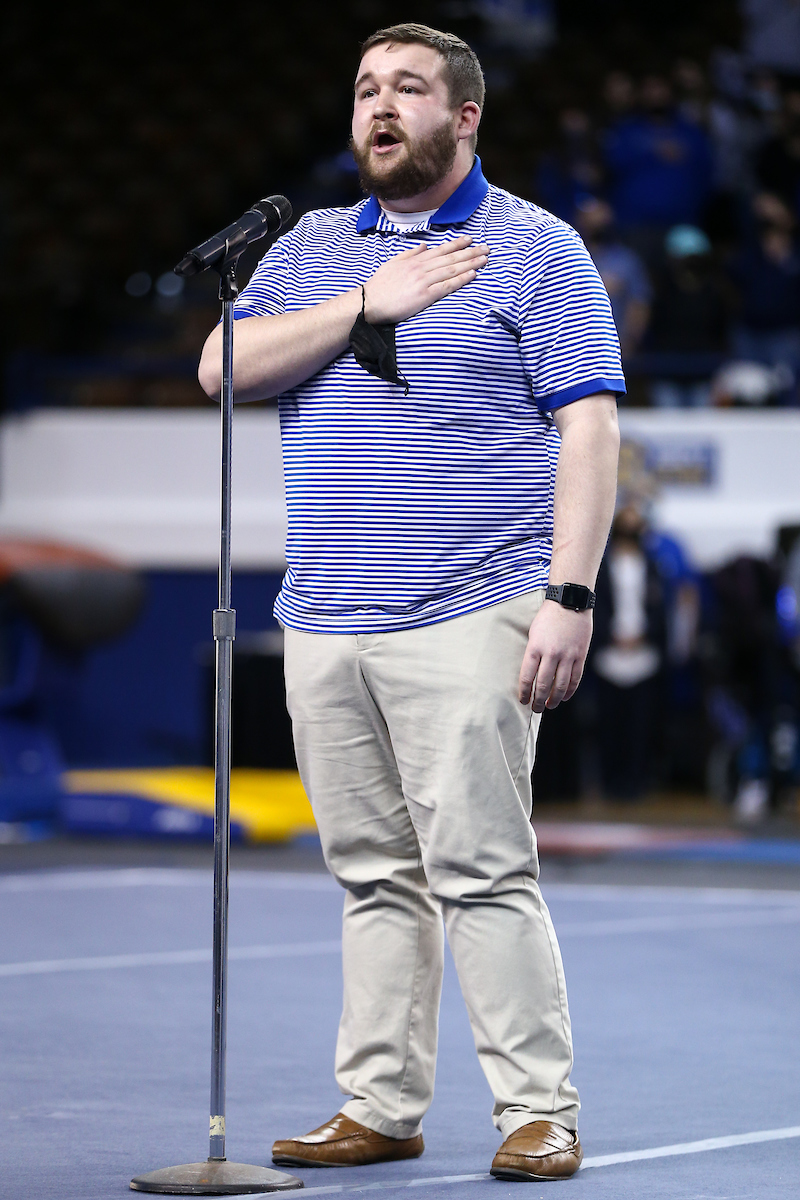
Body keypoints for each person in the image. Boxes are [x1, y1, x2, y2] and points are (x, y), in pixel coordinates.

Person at [199, 21, 622, 1184]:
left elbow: (586, 430)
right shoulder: (309, 249)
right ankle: (379, 1103)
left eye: (408, 89)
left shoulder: (534, 249)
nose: (380, 106)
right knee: (371, 873)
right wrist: (365, 305)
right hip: (324, 614)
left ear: (464, 115)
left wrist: (569, 595)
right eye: (364, 89)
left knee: (481, 866)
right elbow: (217, 371)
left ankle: (538, 1112)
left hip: (470, 602)